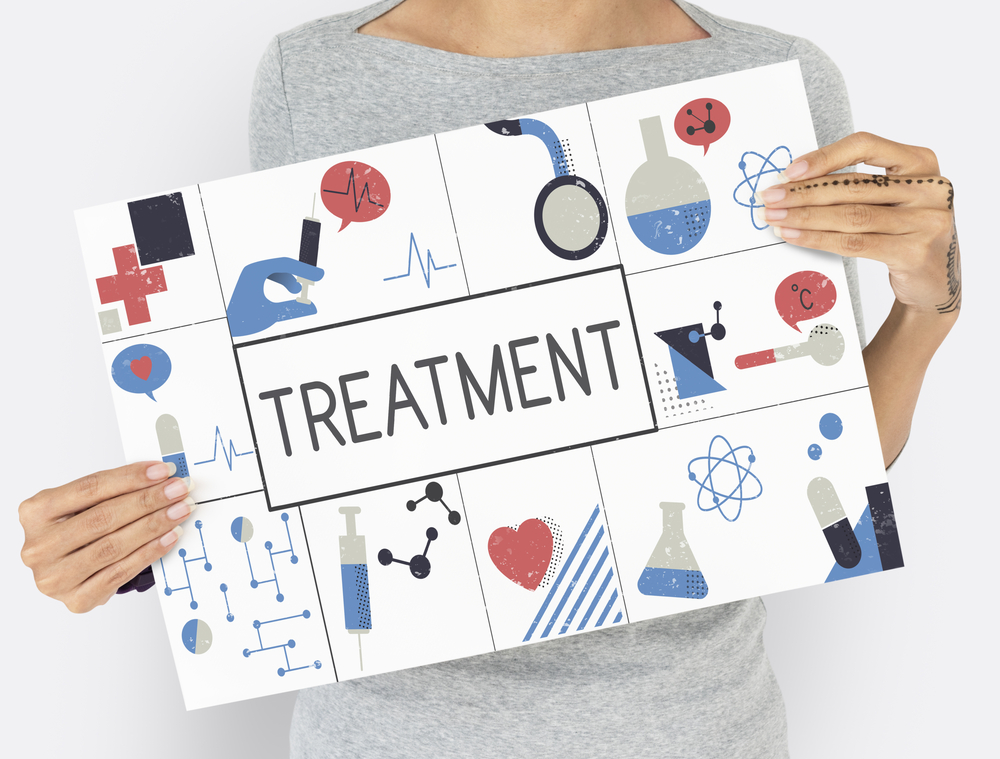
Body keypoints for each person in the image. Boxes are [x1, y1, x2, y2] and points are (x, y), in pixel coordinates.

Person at [19, 1, 959, 756]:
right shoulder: (311, 78)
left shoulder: (781, 83)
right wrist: (133, 542)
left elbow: (812, 459)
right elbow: (307, 417)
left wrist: (928, 305)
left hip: (692, 728)